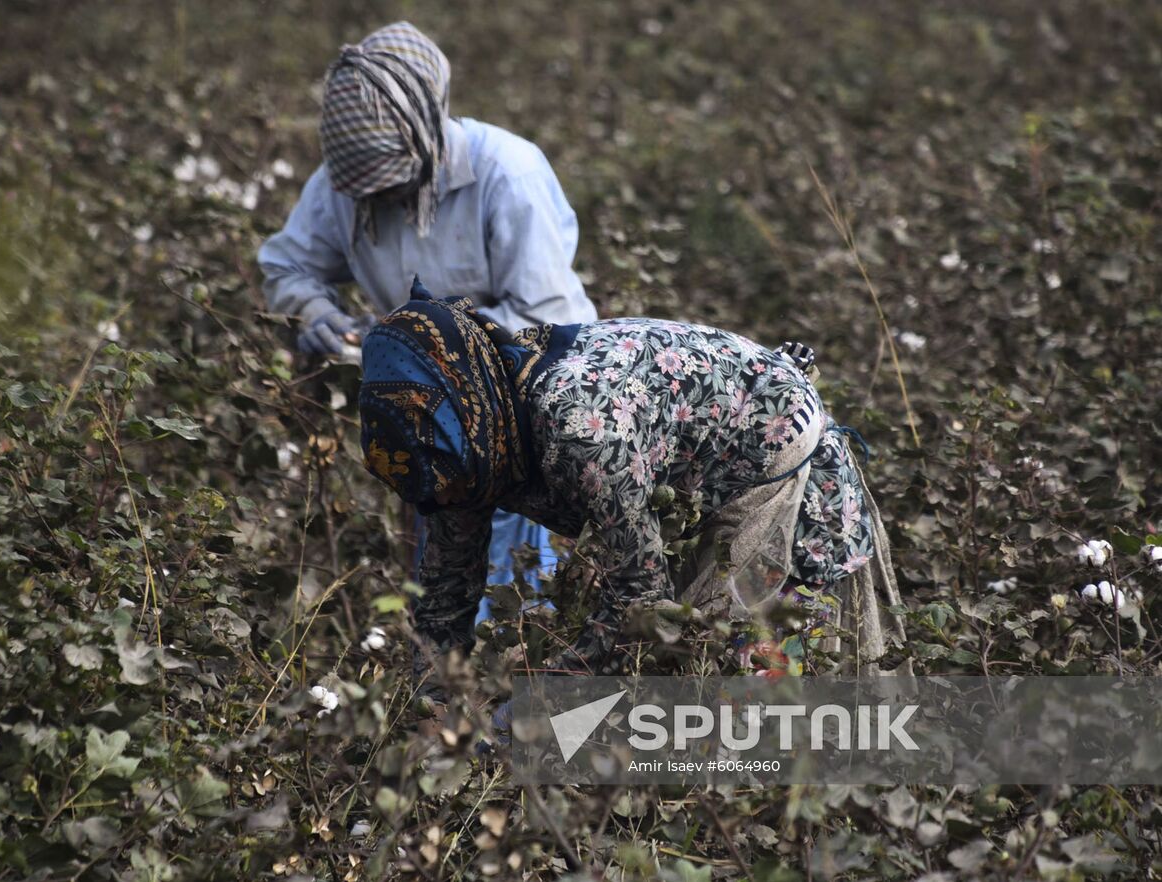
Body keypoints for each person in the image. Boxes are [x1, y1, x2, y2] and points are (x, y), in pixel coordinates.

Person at [358, 280, 907, 683]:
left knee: (717, 654)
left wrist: (547, 696)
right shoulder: (457, 444)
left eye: (452, 489)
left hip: (766, 434)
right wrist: (428, 697)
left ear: (470, 418)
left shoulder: (574, 427)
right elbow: (446, 593)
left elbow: (640, 599)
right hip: (682, 454)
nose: (450, 501)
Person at [258, 22, 596, 621]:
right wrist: (314, 312)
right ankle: (447, 702)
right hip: (423, 427)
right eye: (368, 192)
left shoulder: (507, 174)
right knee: (437, 604)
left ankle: (513, 702)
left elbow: (547, 321)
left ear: (421, 138)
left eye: (390, 185)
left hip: (526, 414)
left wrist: (417, 347)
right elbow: (287, 264)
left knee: (515, 603)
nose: (380, 202)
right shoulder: (343, 187)